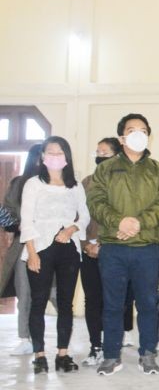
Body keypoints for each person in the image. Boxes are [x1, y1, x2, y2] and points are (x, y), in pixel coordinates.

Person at [88, 114, 159, 376]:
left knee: (148, 304)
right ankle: (111, 355)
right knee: (113, 304)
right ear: (122, 137)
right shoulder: (105, 169)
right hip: (113, 248)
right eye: (132, 130)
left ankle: (147, 353)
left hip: (147, 248)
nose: (138, 134)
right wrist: (119, 223)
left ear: (149, 135)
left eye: (143, 130)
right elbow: (96, 202)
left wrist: (137, 223)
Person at [21, 136, 89, 374]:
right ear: (42, 157)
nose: (55, 156)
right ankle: (39, 355)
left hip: (69, 249)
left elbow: (85, 216)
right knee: (38, 302)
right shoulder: (33, 184)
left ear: (67, 157)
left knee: (65, 303)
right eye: (50, 152)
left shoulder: (75, 185)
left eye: (60, 153)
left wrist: (72, 228)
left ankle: (63, 353)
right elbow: (26, 220)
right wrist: (31, 252)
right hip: (40, 247)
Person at [79, 136, 123, 366]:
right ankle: (95, 345)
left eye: (104, 152)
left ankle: (111, 346)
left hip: (115, 249)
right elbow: (77, 217)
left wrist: (105, 244)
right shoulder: (86, 183)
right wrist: (86, 244)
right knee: (92, 299)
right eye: (97, 152)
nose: (99, 156)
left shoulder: (124, 184)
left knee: (114, 300)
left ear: (117, 155)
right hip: (88, 250)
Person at [3, 143, 43, 356]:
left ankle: (63, 338)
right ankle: (24, 337)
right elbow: (5, 211)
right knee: (24, 292)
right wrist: (14, 227)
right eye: (38, 158)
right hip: (22, 245)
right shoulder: (18, 183)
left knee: (55, 292)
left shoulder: (57, 182)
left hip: (50, 243)